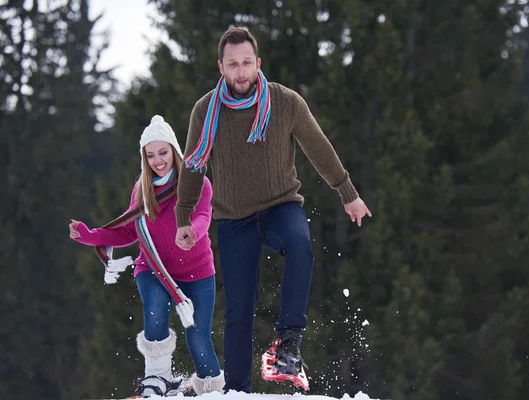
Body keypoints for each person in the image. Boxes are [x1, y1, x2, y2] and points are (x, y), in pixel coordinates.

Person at [174, 27, 372, 394]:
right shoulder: (206, 111)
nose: (241, 72)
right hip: (233, 219)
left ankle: (289, 344)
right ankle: (237, 391)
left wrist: (347, 192)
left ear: (258, 62)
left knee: (300, 243)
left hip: (280, 206)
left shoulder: (285, 103)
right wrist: (183, 217)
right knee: (238, 312)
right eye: (232, 64)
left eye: (247, 62)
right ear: (221, 67)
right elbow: (193, 165)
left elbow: (319, 148)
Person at [68, 115, 225, 397]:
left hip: (197, 271)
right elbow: (129, 232)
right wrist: (91, 236)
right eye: (150, 155)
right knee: (155, 313)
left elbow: (203, 214)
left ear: (174, 152)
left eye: (162, 152)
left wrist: (192, 231)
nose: (157, 160)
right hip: (153, 268)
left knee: (199, 338)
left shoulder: (196, 181)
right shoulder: (143, 190)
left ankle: (212, 391)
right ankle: (156, 379)